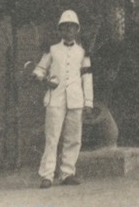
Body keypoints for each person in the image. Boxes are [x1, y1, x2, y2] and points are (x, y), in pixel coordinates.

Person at [31, 10, 93, 188]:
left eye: (72, 28)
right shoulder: (52, 50)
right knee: (52, 137)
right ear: (60, 30)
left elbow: (87, 78)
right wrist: (42, 79)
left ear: (77, 30)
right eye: (65, 28)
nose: (68, 32)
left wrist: (88, 102)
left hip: (75, 99)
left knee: (73, 138)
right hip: (55, 99)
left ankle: (67, 173)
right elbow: (39, 70)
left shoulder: (82, 53)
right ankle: (47, 175)